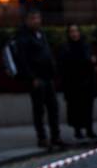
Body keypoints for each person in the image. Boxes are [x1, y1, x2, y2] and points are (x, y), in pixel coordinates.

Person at [10, 9, 64, 150]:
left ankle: (55, 136)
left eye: (38, 18)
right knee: (39, 110)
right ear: (27, 20)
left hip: (48, 77)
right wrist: (31, 78)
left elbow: (47, 52)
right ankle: (42, 138)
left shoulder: (40, 34)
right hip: (37, 78)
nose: (37, 21)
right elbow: (23, 60)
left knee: (53, 108)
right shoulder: (23, 37)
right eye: (33, 18)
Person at [57, 25, 97, 141]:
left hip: (86, 82)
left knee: (88, 107)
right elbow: (64, 65)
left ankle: (89, 130)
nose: (74, 34)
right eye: (71, 31)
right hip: (73, 83)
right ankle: (78, 131)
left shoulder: (85, 45)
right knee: (75, 107)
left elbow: (91, 61)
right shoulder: (66, 48)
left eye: (76, 31)